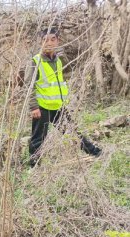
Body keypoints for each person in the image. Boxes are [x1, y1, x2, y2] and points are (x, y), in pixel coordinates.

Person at [25, 27, 101, 167]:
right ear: (40, 42)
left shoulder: (58, 61)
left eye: (52, 39)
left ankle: (95, 152)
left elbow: (64, 77)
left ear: (57, 41)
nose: (49, 43)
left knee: (72, 132)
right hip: (42, 108)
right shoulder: (36, 61)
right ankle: (33, 167)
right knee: (38, 139)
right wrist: (34, 107)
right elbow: (29, 85)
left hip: (58, 107)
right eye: (45, 40)